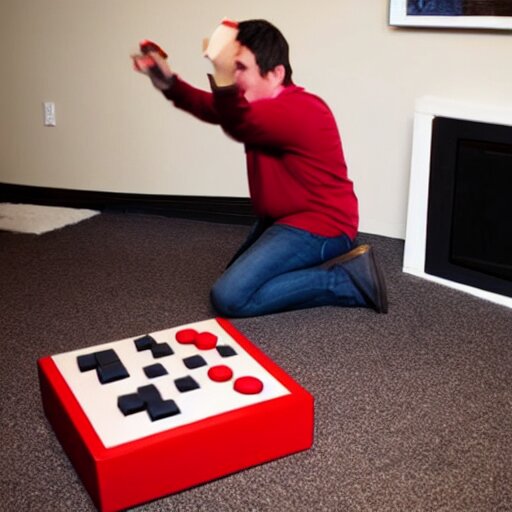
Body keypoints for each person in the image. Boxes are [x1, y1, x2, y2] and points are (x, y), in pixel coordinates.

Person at [132, 18, 388, 317]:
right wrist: (169, 83)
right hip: (281, 221)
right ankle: (322, 263)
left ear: (276, 73)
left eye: (239, 68)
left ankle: (347, 281)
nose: (233, 76)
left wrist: (221, 75)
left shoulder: (300, 109)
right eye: (232, 67)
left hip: (322, 225)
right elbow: (214, 108)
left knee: (229, 297)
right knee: (240, 280)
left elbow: (237, 123)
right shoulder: (254, 107)